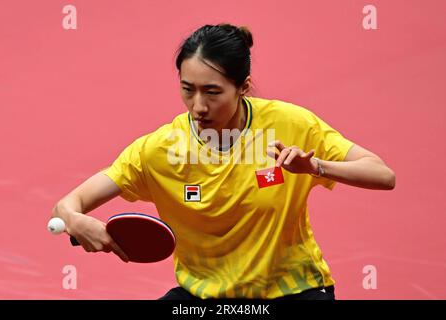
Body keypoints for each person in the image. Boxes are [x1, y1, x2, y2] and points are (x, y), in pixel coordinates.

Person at [51, 23, 396, 300]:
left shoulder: (291, 125)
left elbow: (382, 174)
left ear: (243, 87)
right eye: (188, 89)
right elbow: (68, 204)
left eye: (212, 92)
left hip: (294, 292)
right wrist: (75, 219)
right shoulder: (159, 151)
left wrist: (316, 167)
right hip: (204, 300)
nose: (198, 106)